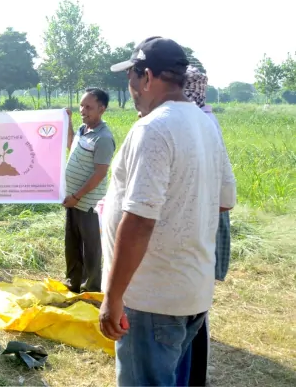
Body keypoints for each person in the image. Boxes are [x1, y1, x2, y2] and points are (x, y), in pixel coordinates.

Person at [100, 37, 236, 386]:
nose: (130, 92)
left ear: (147, 78)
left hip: (149, 298)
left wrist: (114, 299)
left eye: (131, 81)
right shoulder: (205, 123)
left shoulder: (153, 128)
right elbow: (223, 199)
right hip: (190, 290)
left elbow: (141, 220)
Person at [183, 65, 230, 387]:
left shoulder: (200, 124)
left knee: (193, 312)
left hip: (197, 227)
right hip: (198, 224)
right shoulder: (202, 120)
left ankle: (195, 376)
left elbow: (224, 197)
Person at [63, 88, 115, 294]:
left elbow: (100, 173)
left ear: (101, 109)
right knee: (72, 244)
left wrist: (77, 196)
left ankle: (92, 289)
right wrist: (68, 122)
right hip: (72, 200)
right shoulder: (83, 130)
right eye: (81, 106)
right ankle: (74, 282)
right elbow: (71, 146)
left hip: (89, 204)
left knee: (91, 248)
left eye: (89, 107)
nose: (83, 110)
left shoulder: (103, 138)